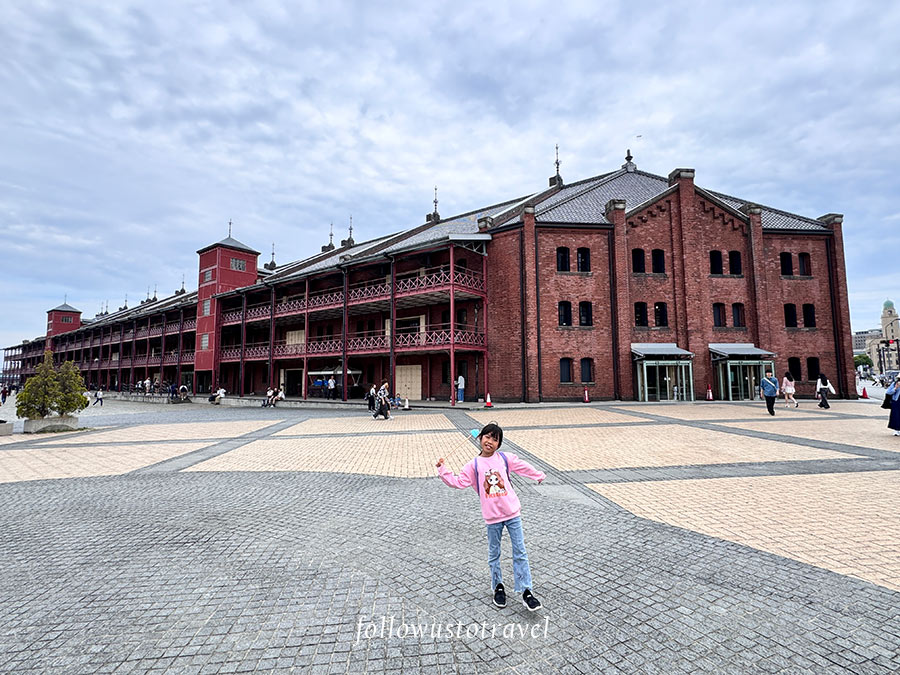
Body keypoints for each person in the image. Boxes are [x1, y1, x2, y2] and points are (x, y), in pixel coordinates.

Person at [435, 423, 546, 611]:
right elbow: (458, 482)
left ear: (499, 444)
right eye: (487, 437)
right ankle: (498, 587)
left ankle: (526, 590)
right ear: (480, 438)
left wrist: (537, 475)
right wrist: (443, 470)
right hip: (492, 518)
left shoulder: (504, 459)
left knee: (520, 552)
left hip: (512, 514)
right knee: (494, 554)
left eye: (495, 439)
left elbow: (522, 466)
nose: (490, 442)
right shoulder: (474, 465)